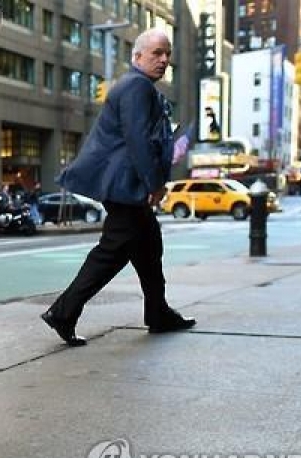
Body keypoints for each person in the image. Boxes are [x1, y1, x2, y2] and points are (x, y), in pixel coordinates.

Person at [40, 29, 196, 346]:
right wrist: (154, 184)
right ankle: (63, 312)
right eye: (157, 53)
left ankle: (158, 313)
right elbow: (137, 140)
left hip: (125, 184)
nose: (164, 59)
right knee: (111, 253)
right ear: (137, 57)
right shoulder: (136, 87)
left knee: (149, 247)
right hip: (126, 185)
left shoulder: (137, 87)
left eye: (167, 53)